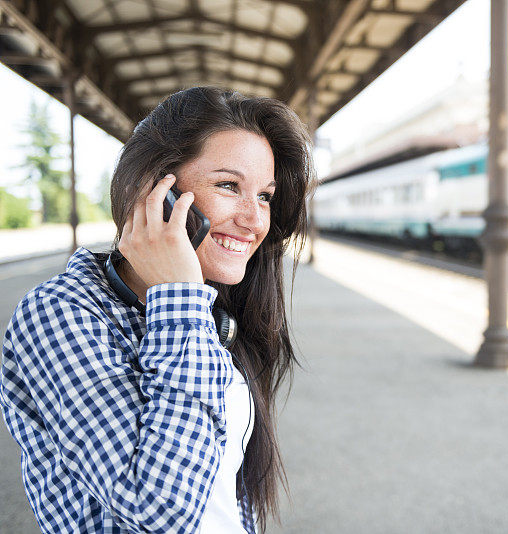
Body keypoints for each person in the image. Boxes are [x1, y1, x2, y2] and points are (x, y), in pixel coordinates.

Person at [0, 86, 315, 533]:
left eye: (264, 195)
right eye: (228, 186)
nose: (255, 219)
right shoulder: (57, 314)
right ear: (152, 191)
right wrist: (180, 302)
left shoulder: (212, 306)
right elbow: (158, 512)